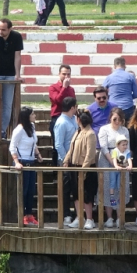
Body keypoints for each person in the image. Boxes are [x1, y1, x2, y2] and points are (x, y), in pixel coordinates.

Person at [0, 18, 23, 139]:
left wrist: (17, 75)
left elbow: (18, 57)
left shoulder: (16, 36)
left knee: (7, 104)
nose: (0, 32)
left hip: (10, 73)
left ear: (10, 29)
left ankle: (2, 130)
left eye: (3, 30)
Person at [61, 112, 99, 229]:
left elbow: (90, 154)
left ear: (79, 120)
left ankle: (89, 219)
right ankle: (79, 217)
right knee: (76, 194)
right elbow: (71, 149)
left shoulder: (90, 134)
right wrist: (66, 160)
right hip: (74, 166)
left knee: (87, 194)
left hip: (85, 168)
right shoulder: (77, 132)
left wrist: (84, 170)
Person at [10, 107, 43, 227]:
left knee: (30, 191)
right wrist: (16, 162)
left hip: (31, 161)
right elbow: (12, 147)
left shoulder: (32, 127)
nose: (35, 115)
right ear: (27, 116)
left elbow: (34, 143)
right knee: (22, 191)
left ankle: (29, 215)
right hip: (22, 161)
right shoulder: (19, 129)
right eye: (33, 114)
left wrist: (38, 154)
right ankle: (21, 215)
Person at [97, 107, 130, 228]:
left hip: (122, 159)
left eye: (120, 119)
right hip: (107, 159)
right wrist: (112, 161)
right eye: (115, 119)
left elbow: (128, 146)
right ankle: (109, 217)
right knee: (107, 186)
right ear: (110, 117)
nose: (117, 121)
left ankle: (120, 217)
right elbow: (103, 147)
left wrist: (124, 161)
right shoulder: (104, 129)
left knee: (120, 186)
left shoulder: (124, 130)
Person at [53, 96, 78, 225]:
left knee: (75, 188)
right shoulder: (61, 122)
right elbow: (58, 144)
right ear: (72, 107)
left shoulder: (74, 119)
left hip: (76, 160)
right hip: (65, 161)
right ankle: (66, 214)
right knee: (66, 188)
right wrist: (65, 160)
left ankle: (76, 213)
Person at [48, 65, 75, 158]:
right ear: (59, 74)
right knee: (57, 145)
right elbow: (58, 101)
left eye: (68, 74)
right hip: (57, 117)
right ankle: (56, 171)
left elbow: (73, 104)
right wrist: (64, 87)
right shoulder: (53, 87)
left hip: (70, 118)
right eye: (64, 74)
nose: (66, 76)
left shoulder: (71, 89)